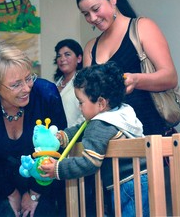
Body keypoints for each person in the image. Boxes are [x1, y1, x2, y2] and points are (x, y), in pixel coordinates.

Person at [0, 43, 67, 217]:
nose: (26, 88)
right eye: (16, 85)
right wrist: (11, 192)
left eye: (29, 78)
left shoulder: (46, 94)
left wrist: (34, 192)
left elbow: (60, 143)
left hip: (44, 181)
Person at [40, 61, 149, 217]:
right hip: (142, 178)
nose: (79, 107)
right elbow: (82, 128)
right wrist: (63, 136)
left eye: (81, 102)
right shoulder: (119, 112)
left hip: (127, 184)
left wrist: (59, 168)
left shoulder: (100, 124)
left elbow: (90, 162)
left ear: (101, 103)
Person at [76, 0, 178, 136]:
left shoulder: (142, 27)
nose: (92, 18)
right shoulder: (90, 48)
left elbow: (170, 77)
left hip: (152, 135)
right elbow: (90, 97)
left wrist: (136, 80)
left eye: (96, 9)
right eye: (86, 14)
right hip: (112, 143)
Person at [54, 39, 85, 127]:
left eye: (67, 54)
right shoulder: (55, 84)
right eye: (59, 56)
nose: (62, 59)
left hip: (75, 136)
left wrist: (69, 133)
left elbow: (86, 115)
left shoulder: (84, 82)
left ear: (79, 58)